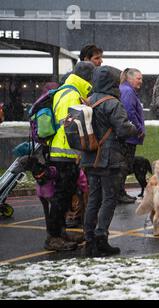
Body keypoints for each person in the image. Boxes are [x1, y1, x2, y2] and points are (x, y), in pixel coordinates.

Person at [81, 66, 138, 257]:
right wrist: (134, 129)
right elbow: (123, 129)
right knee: (109, 198)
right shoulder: (112, 103)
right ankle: (101, 238)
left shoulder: (88, 100)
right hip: (108, 158)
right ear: (112, 82)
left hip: (90, 158)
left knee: (93, 199)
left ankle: (89, 240)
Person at [46, 61, 95, 251]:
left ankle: (60, 231)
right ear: (85, 78)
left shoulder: (69, 91)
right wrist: (78, 153)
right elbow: (72, 128)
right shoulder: (71, 94)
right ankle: (53, 237)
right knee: (61, 198)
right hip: (64, 154)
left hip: (63, 154)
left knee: (65, 197)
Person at [117, 68, 145, 204]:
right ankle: (120, 193)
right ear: (130, 78)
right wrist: (139, 128)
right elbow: (130, 113)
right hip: (129, 136)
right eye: (139, 78)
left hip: (127, 135)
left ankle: (119, 192)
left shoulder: (125, 90)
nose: (141, 81)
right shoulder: (128, 92)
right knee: (124, 165)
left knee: (123, 165)